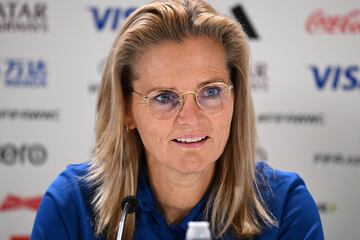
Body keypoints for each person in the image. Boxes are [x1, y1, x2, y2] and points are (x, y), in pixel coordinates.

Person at [31, 0, 324, 239]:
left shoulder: (284, 205)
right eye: (163, 97)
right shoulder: (72, 203)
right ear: (127, 111)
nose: (190, 118)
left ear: (236, 100)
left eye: (210, 91)